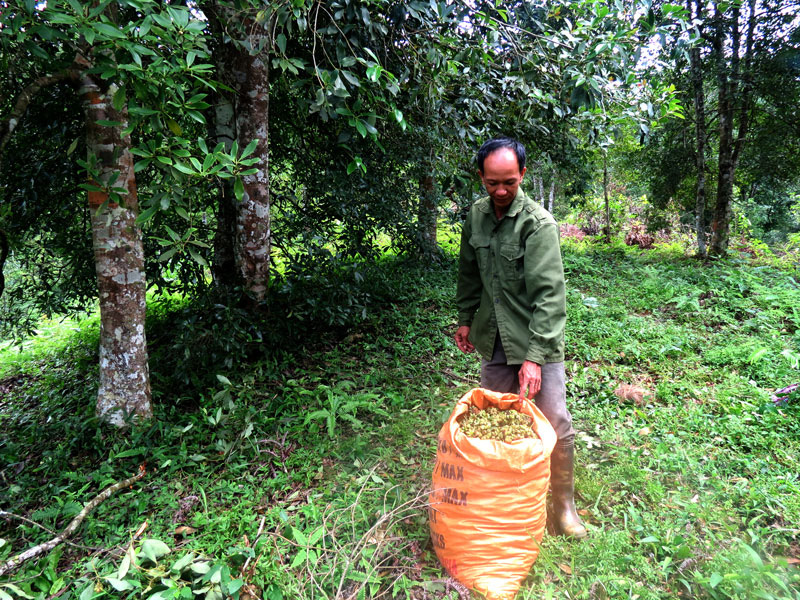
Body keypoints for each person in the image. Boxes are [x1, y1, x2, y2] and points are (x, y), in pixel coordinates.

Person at [454, 137, 587, 539]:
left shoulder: (538, 223)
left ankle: (562, 504)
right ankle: (503, 499)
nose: (500, 191)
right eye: (492, 182)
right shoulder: (475, 217)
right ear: (481, 177)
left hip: (537, 339)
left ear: (522, 175)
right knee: (493, 420)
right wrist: (465, 318)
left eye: (509, 182)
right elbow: (469, 273)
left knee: (554, 420)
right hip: (493, 336)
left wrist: (534, 357)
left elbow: (550, 295)